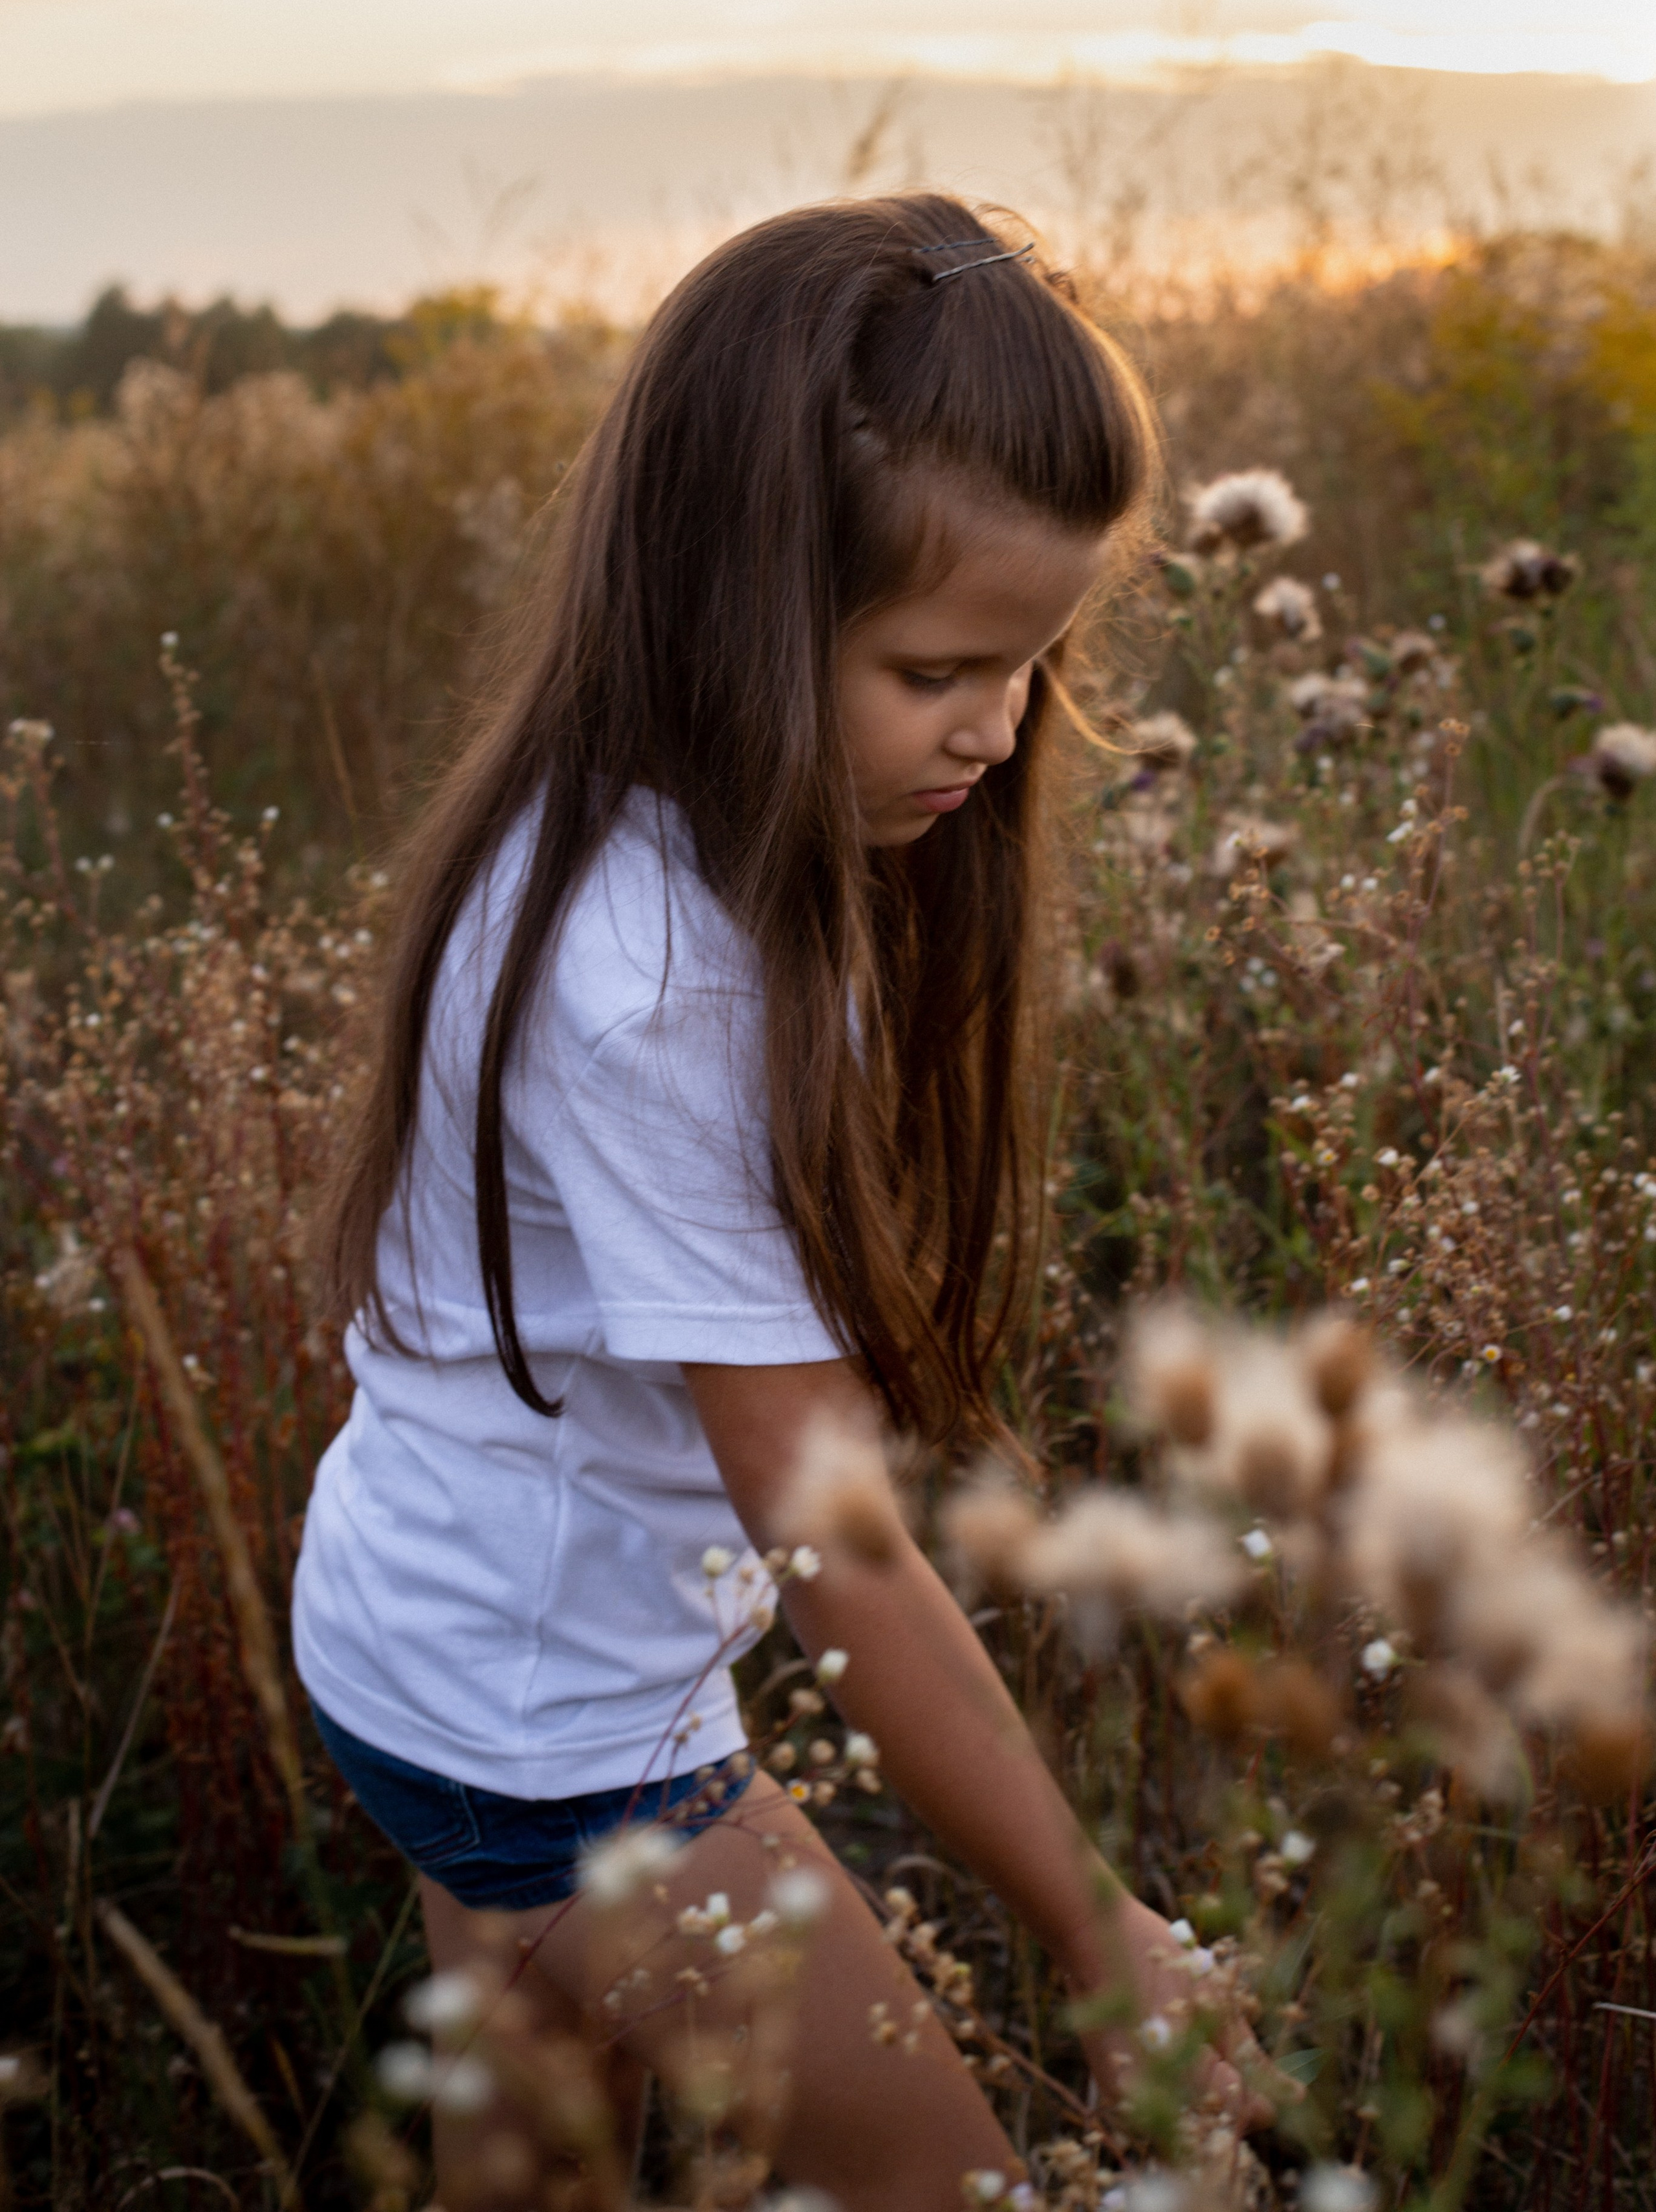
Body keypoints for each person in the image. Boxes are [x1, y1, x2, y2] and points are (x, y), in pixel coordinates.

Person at [292, 195, 1261, 2206]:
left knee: (534, 2164)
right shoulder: (654, 979)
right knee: (950, 2188)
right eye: (937, 668)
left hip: (428, 1636)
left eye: (1035, 658)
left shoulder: (619, 830)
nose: (1000, 727)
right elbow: (837, 1544)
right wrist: (1100, 1936)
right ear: (732, 608)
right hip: (557, 1735)